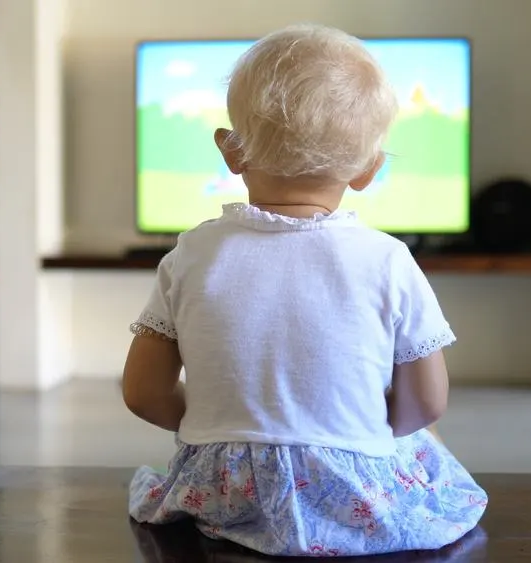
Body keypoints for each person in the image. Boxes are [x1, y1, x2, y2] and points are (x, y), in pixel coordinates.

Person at [122, 23, 487, 557]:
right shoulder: (387, 259)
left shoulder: (190, 255)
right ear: (369, 169)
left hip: (224, 489)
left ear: (231, 151)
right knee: (424, 448)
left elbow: (143, 392)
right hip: (349, 490)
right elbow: (426, 402)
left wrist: (217, 429)